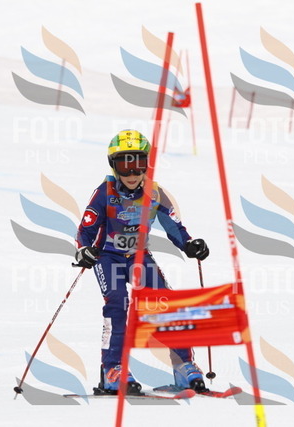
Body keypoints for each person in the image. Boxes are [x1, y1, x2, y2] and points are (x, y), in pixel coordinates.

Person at [74, 129, 210, 395]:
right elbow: (85, 230)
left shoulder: (154, 193)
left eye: (138, 163)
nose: (132, 173)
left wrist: (189, 244)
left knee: (165, 302)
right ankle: (113, 369)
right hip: (108, 257)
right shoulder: (104, 193)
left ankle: (183, 365)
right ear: (113, 166)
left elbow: (175, 227)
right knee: (117, 303)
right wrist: (84, 251)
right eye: (124, 165)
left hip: (138, 257)